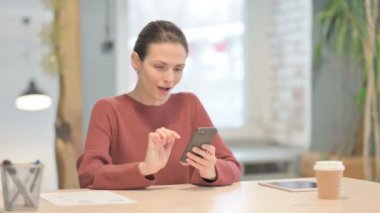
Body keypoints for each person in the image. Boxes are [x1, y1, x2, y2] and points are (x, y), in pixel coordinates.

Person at [76, 20, 242, 189]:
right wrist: (145, 168)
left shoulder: (189, 104)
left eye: (178, 69)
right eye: (160, 67)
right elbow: (89, 175)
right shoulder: (108, 109)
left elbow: (233, 166)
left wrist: (211, 171)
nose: (170, 78)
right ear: (136, 61)